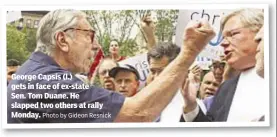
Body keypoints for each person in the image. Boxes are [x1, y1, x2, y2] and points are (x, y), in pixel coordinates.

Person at [7, 9, 215, 123]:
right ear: (62, 40)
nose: (97, 45)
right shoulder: (49, 82)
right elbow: (138, 114)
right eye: (90, 35)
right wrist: (189, 52)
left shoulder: (36, 75)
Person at [181, 9, 264, 122]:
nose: (223, 43)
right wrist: (191, 106)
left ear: (261, 31)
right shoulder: (225, 88)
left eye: (233, 34)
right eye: (224, 37)